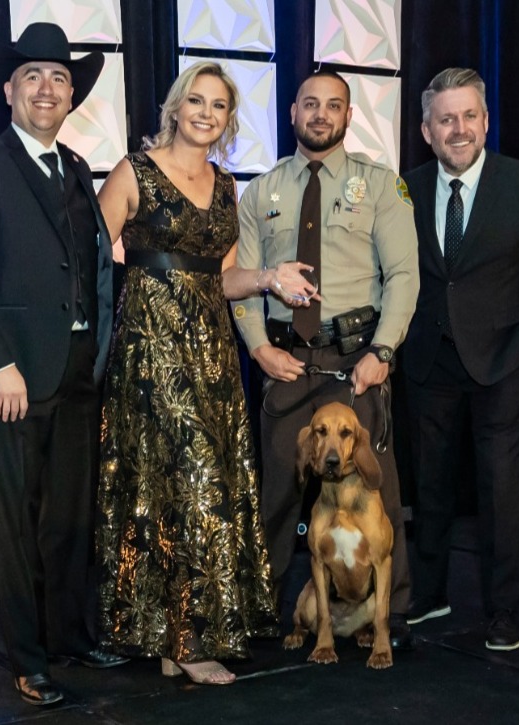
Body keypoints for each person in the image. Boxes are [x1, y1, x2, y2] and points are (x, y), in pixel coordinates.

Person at [95, 61, 312, 686]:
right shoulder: (133, 172)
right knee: (183, 483)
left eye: (218, 106)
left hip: (211, 351)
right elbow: (89, 257)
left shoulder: (225, 186)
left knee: (194, 483)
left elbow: (224, 277)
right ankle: (190, 642)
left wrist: (269, 277)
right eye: (196, 101)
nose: (206, 114)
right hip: (151, 353)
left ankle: (172, 636)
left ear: (228, 119)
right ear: (175, 106)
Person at [0, 22, 127, 706]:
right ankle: (27, 659)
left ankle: (70, 635)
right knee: (14, 525)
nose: (46, 89)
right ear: (8, 90)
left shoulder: (76, 167)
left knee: (70, 518)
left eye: (59, 78)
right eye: (32, 77)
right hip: (13, 377)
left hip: (77, 369)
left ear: (71, 96)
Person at [234, 71, 420, 650]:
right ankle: (260, 611)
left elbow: (404, 276)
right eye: (310, 104)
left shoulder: (381, 186)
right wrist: (259, 347)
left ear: (348, 115)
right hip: (287, 362)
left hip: (355, 361)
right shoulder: (260, 192)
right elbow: (242, 280)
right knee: (276, 492)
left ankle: (391, 612)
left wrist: (383, 352)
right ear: (292, 112)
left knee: (377, 487)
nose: (321, 114)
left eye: (333, 105)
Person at [402, 68, 519, 651]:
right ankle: (429, 594)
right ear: (427, 130)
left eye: (469, 116)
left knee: (499, 491)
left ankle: (503, 611)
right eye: (446, 119)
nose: (459, 129)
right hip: (428, 363)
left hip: (501, 365)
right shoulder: (404, 189)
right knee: (429, 487)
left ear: (486, 121)